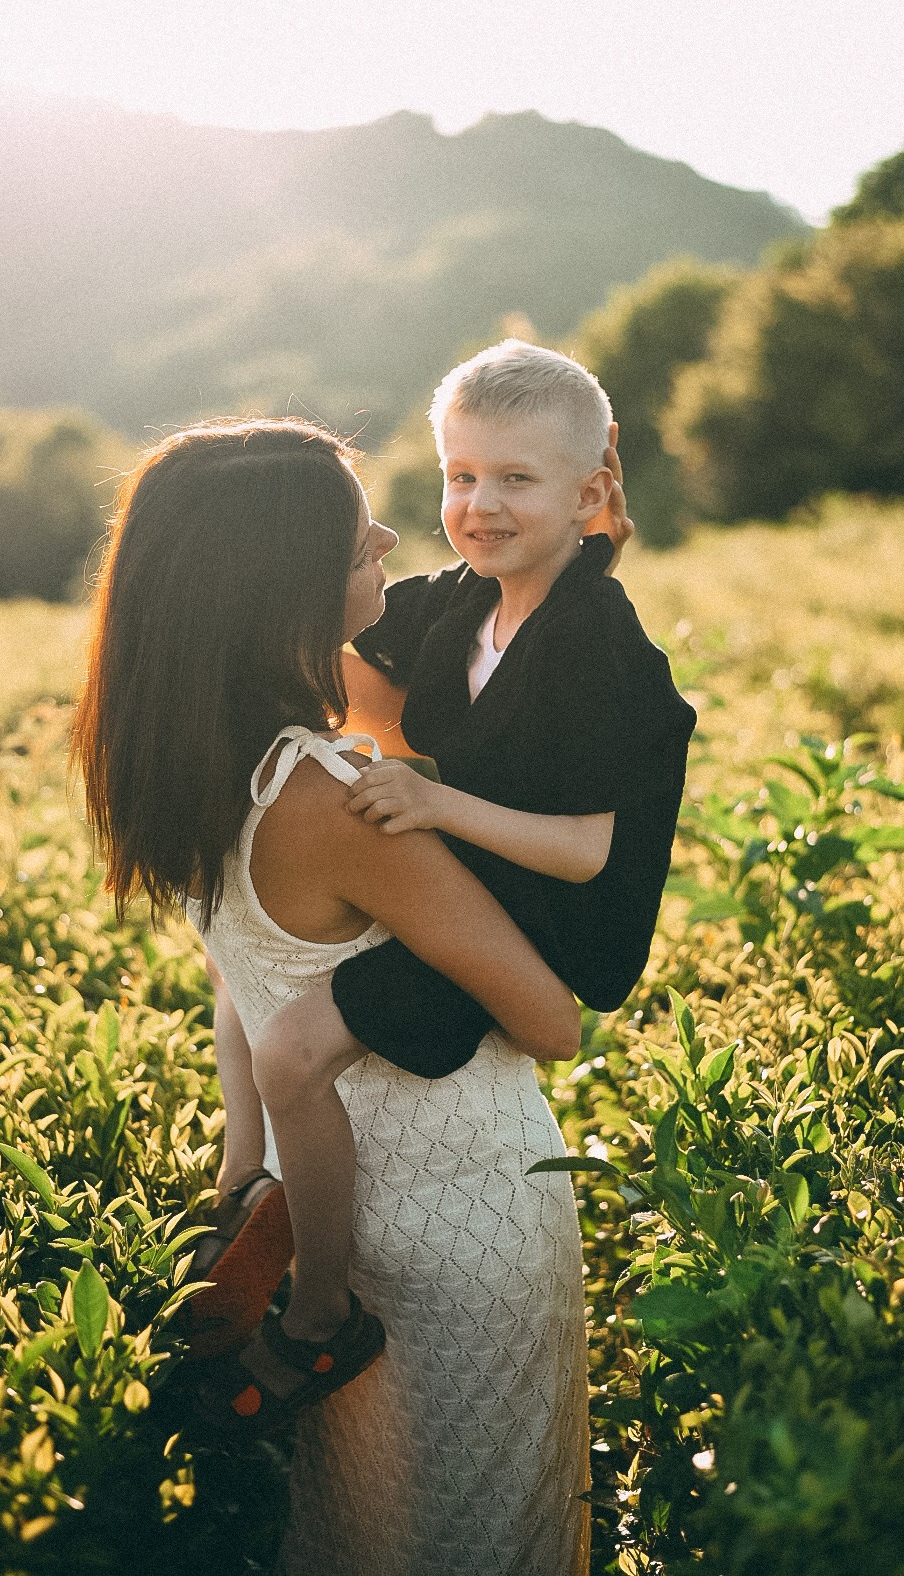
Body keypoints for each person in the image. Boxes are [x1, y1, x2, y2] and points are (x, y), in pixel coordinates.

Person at [70, 419, 591, 1576]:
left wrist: (244, 1155)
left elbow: (243, 990)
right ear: (282, 585)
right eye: (359, 535)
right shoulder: (340, 799)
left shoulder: (195, 760)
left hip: (321, 1229)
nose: (392, 538)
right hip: (464, 1226)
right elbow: (553, 1021)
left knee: (365, 1541)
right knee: (480, 1541)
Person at [212, 342, 696, 1364]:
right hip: (476, 884)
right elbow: (335, 657)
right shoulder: (462, 599)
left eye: (517, 479)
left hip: (547, 924)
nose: (480, 504)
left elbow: (582, 854)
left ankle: (319, 1313)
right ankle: (241, 1178)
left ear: (588, 492)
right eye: (460, 475)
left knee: (296, 1050)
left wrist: (434, 804)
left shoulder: (592, 641)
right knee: (237, 973)